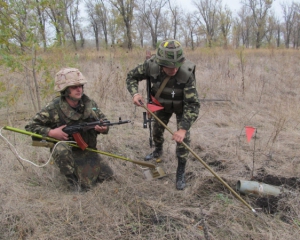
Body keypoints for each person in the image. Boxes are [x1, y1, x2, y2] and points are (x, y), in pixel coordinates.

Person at [126, 39, 200, 190]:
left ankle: (180, 170)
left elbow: (193, 104)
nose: (173, 70)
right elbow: (131, 76)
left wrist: (183, 129)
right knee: (157, 130)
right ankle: (158, 150)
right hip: (160, 104)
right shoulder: (150, 66)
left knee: (183, 141)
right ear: (160, 63)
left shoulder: (187, 74)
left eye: (176, 66)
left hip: (182, 107)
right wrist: (135, 94)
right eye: (168, 67)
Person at [25, 67, 113, 191]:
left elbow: (104, 121)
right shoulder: (53, 108)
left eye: (81, 85)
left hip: (87, 150)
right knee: (61, 149)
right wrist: (51, 132)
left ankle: (84, 170)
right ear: (65, 90)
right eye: (74, 87)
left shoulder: (89, 104)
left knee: (107, 176)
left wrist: (103, 128)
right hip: (69, 152)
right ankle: (72, 181)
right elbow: (30, 127)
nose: (79, 89)